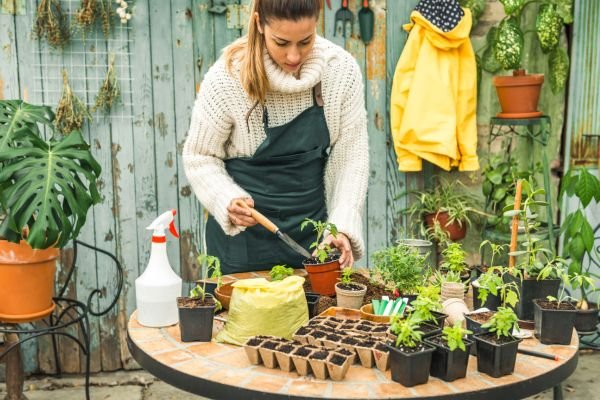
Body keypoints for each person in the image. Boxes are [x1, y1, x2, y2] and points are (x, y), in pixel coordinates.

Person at [183, 0, 368, 275]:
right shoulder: (227, 77)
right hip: (242, 245)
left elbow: (351, 157)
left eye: (305, 41)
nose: (294, 56)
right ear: (259, 24)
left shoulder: (340, 71)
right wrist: (226, 198)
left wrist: (339, 226)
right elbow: (199, 156)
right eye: (281, 43)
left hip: (313, 240)